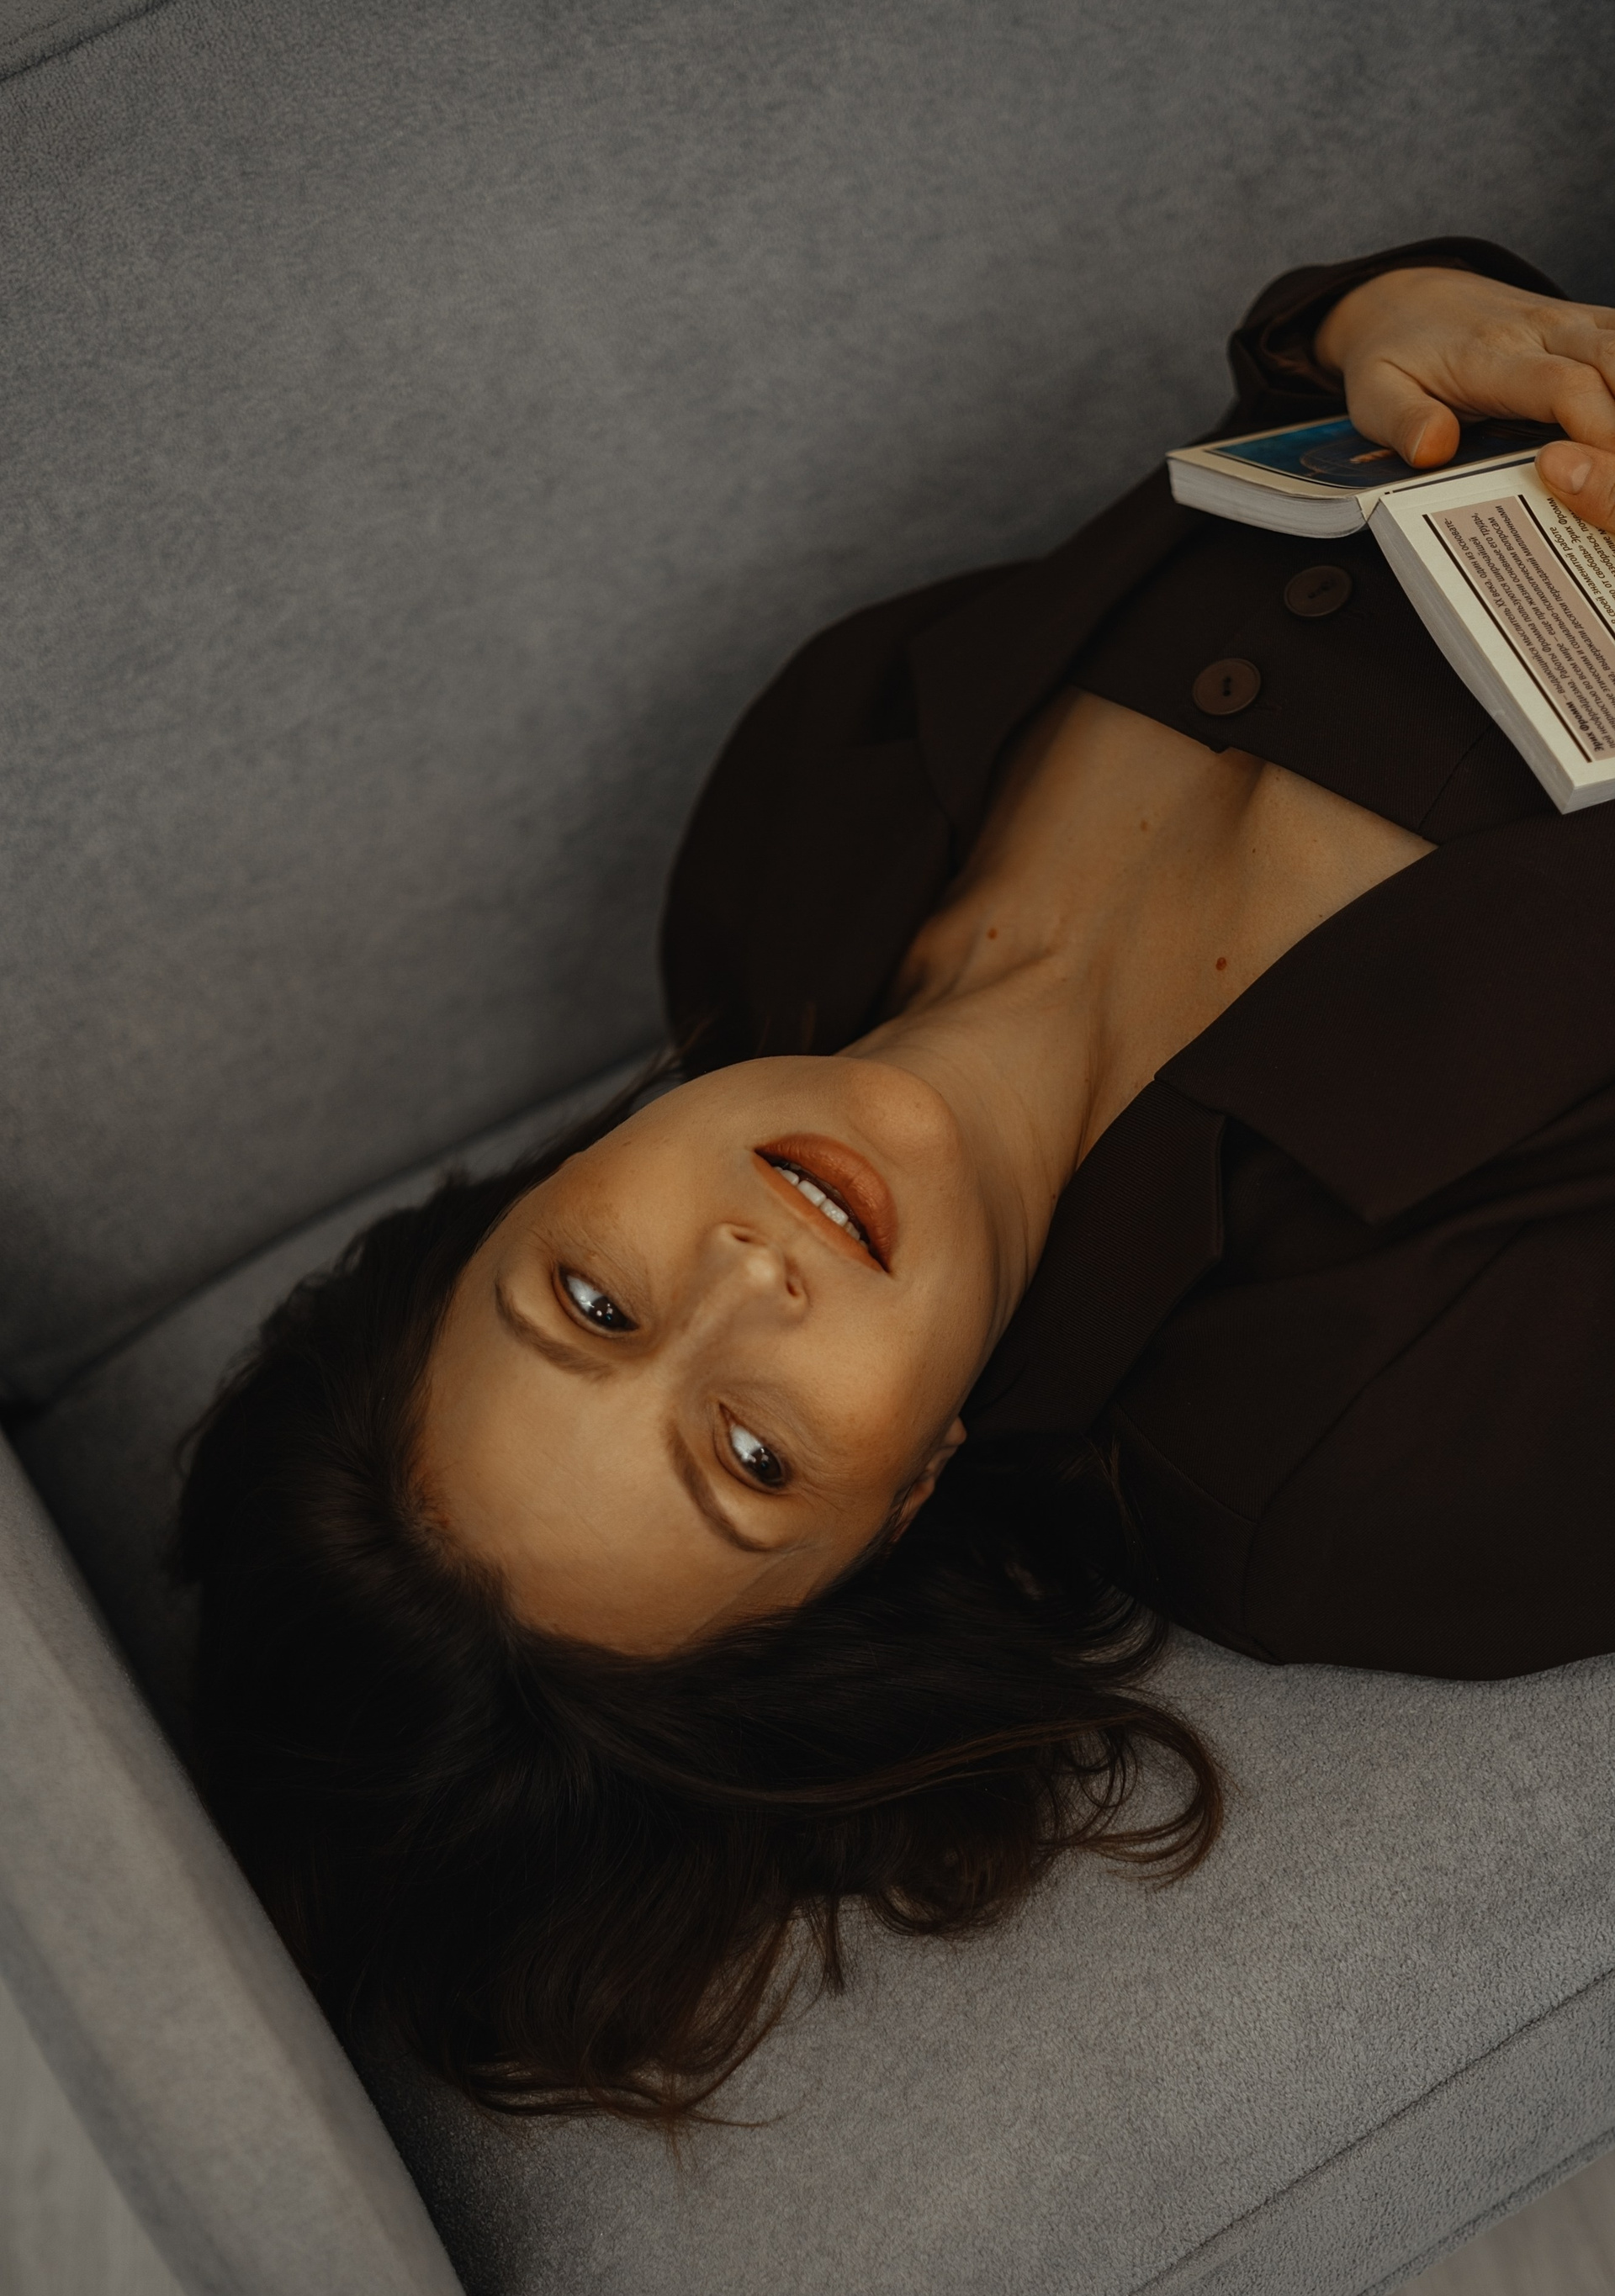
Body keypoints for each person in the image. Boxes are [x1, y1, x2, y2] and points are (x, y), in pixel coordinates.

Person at [177, 238, 1615, 2124]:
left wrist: (1369, 322)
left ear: (528, 1198)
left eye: (593, 1301)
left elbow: (1323, 456)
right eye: (751, 1455)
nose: (746, 1280)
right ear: (899, 1514)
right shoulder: (1374, 1481)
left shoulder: (787, 822)